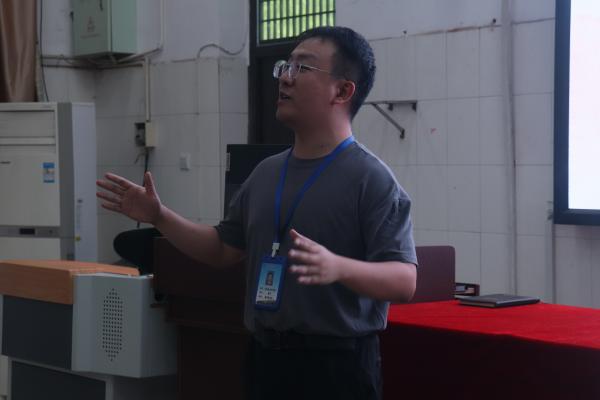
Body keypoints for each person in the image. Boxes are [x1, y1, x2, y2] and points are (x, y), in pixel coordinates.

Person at [97, 26, 417, 400]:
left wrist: (339, 267)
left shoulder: (371, 179)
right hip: (265, 357)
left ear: (343, 91)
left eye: (302, 68)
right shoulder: (266, 172)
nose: (285, 77)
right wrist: (159, 216)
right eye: (285, 66)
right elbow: (223, 248)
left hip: (337, 365)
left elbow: (404, 280)